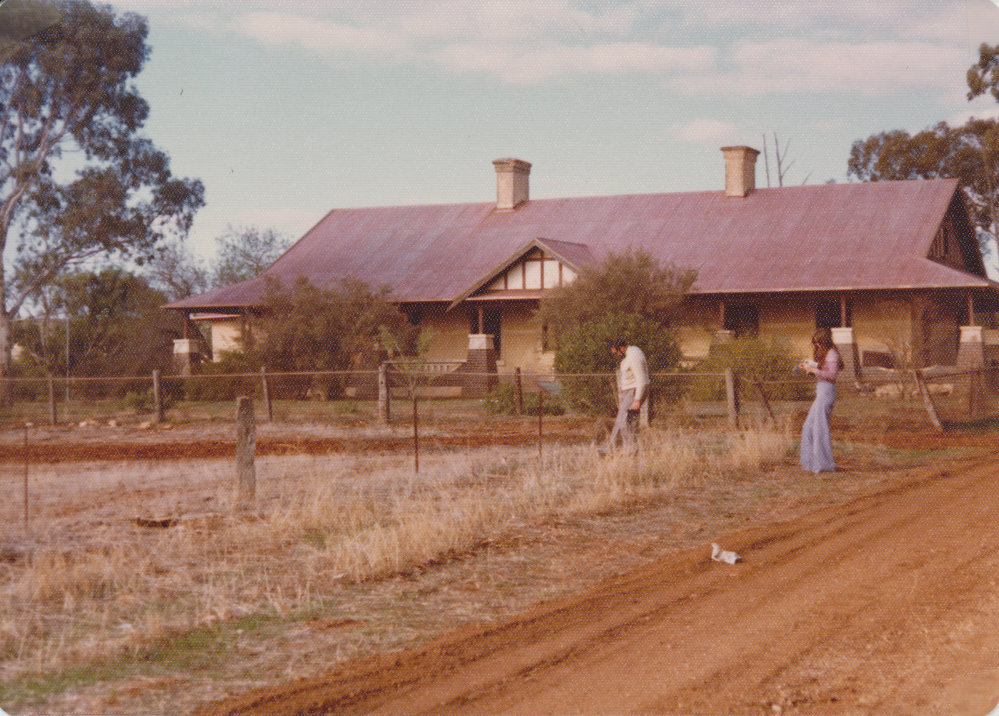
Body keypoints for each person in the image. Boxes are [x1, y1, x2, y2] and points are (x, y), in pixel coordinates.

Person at [799, 327, 843, 473]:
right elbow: (823, 371)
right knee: (808, 426)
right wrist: (810, 366)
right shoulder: (826, 354)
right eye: (815, 343)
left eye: (818, 342)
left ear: (824, 341)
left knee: (820, 429)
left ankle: (823, 465)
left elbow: (831, 375)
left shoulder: (832, 354)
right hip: (821, 391)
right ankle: (810, 463)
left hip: (826, 393)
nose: (816, 345)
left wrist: (814, 370)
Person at [603, 337, 649, 454]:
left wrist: (637, 399)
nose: (617, 355)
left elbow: (642, 379)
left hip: (634, 391)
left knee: (622, 421)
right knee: (626, 421)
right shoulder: (631, 354)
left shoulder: (634, 355)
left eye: (616, 352)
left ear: (621, 347)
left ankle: (617, 449)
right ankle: (624, 448)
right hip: (631, 391)